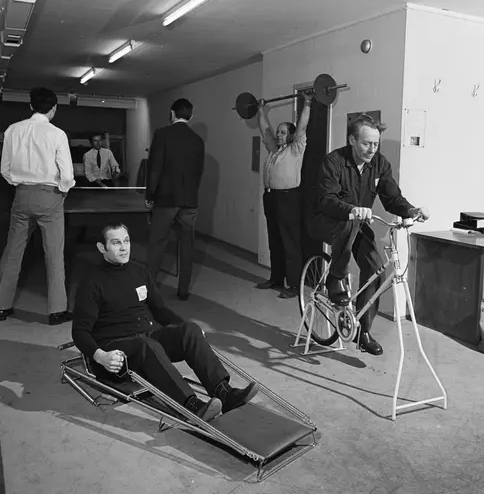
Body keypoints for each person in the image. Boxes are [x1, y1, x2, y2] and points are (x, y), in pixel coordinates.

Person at [72, 222, 259, 422]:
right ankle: (191, 406)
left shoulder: (139, 271)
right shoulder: (92, 281)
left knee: (190, 330)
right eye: (116, 243)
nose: (124, 248)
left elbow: (160, 310)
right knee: (146, 345)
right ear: (102, 248)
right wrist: (101, 356)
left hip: (148, 339)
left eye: (126, 241)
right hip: (117, 351)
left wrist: (189, 329)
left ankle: (224, 393)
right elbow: (79, 331)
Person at [309, 114, 429, 356]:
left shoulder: (379, 164)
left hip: (357, 224)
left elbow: (392, 198)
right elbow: (327, 200)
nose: (372, 149)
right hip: (326, 220)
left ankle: (362, 331)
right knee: (348, 224)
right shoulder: (333, 162)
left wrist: (411, 210)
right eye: (366, 143)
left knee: (376, 270)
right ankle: (335, 278)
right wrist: (352, 209)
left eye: (376, 144)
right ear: (352, 140)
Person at [0, 87, 75, 324]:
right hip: (49, 196)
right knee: (54, 254)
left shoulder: (12, 130)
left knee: (12, 253)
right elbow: (67, 174)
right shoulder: (57, 134)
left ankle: (1, 306)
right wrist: (62, 191)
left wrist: (19, 184)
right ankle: (57, 311)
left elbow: (5, 169)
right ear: (54, 109)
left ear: (31, 106)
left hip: (21, 195)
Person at [146, 98, 204, 301]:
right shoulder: (197, 140)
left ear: (172, 113)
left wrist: (150, 195)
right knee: (187, 245)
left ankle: (150, 290)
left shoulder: (162, 134)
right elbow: (198, 172)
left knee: (157, 244)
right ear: (191, 116)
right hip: (189, 200)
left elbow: (155, 168)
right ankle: (183, 291)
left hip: (166, 199)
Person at [255, 94, 312, 299]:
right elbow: (264, 129)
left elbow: (302, 126)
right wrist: (260, 111)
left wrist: (307, 103)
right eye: (278, 132)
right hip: (271, 198)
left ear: (291, 135)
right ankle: (276, 279)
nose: (278, 135)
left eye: (282, 132)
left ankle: (295, 285)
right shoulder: (274, 150)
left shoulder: (296, 149)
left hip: (288, 199)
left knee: (290, 243)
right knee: (275, 239)